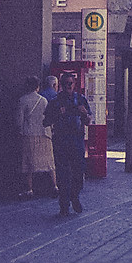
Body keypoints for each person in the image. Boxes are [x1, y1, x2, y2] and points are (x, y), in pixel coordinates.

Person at [48, 76, 90, 216]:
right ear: (61, 85)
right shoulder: (55, 101)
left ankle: (74, 196)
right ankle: (64, 204)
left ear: (75, 84)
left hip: (77, 140)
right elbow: (46, 121)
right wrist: (56, 114)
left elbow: (88, 120)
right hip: (61, 141)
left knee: (79, 172)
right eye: (66, 83)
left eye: (71, 83)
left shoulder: (81, 99)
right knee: (63, 174)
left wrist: (85, 114)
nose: (68, 86)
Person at [14, 76, 50, 199]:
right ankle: (54, 186)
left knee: (28, 163)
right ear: (37, 86)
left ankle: (29, 189)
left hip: (29, 134)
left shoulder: (22, 100)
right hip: (43, 134)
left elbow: (19, 120)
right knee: (48, 161)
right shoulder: (44, 100)